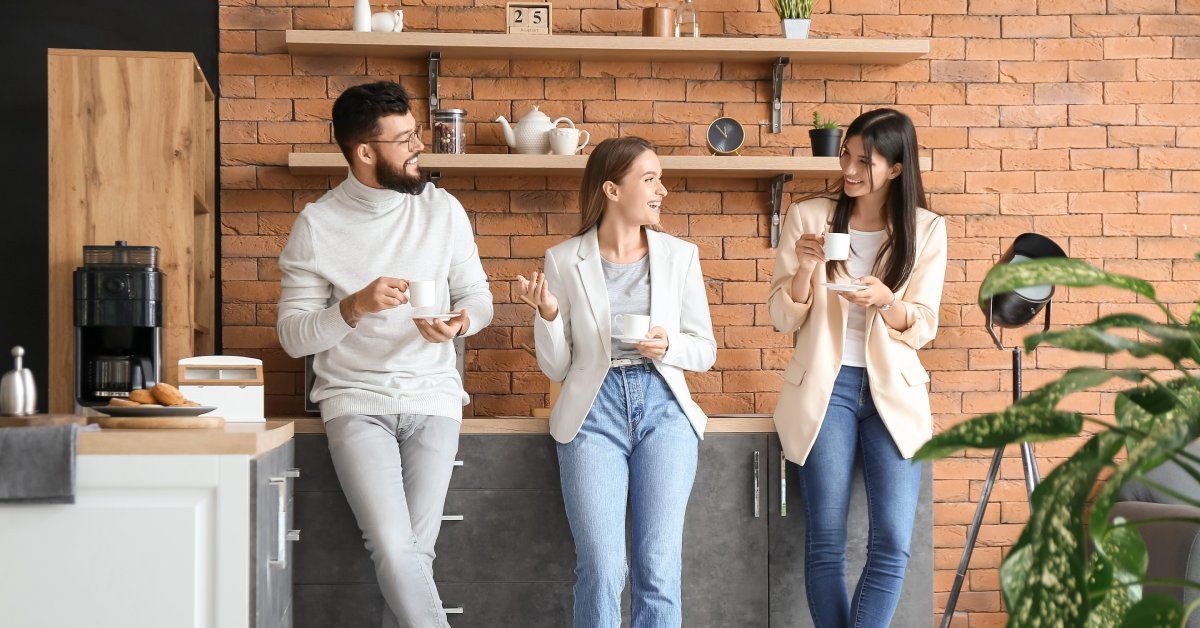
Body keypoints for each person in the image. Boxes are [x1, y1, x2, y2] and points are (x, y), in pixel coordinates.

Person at [275, 81, 493, 628]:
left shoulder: (443, 210)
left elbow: (478, 297)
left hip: (434, 397)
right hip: (355, 402)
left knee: (414, 554)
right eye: (404, 139)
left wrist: (460, 322)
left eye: (415, 132)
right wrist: (352, 307)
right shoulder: (317, 226)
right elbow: (293, 336)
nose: (419, 146)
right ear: (365, 152)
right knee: (397, 549)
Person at [515, 136, 716, 628]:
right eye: (649, 179)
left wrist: (668, 346)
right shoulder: (563, 260)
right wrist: (547, 313)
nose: (662, 190)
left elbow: (705, 350)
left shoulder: (680, 256)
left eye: (660, 179)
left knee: (658, 568)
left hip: (664, 408)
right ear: (611, 189)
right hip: (593, 413)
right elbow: (557, 367)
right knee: (603, 568)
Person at [768, 108, 947, 628]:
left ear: (895, 167)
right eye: (845, 154)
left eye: (863, 160)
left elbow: (924, 325)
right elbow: (782, 316)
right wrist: (805, 269)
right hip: (827, 387)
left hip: (893, 391)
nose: (848, 168)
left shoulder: (927, 228)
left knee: (892, 540)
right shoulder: (809, 218)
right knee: (826, 538)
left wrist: (887, 300)